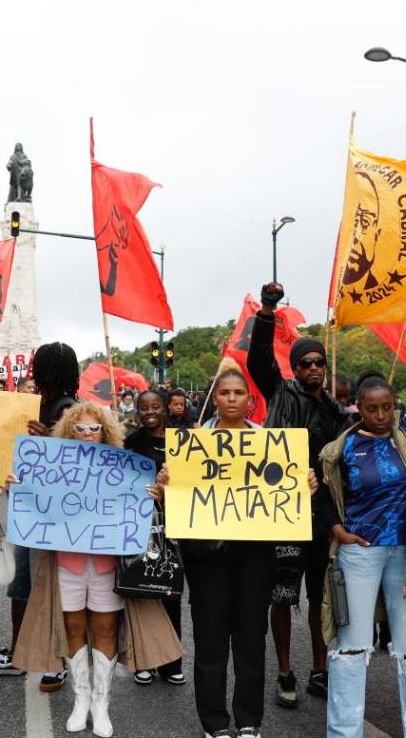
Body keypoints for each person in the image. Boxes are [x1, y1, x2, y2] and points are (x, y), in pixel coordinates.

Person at [150, 368, 315, 738]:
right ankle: (214, 722)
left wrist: (305, 484)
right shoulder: (193, 443)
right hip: (206, 557)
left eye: (238, 392)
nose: (231, 399)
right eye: (224, 392)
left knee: (251, 638)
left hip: (255, 556)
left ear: (249, 399)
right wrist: (164, 486)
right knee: (210, 638)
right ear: (214, 397)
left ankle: (248, 721)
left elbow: (286, 493)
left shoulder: (270, 443)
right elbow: (177, 497)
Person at [14, 401, 181, 738]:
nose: (88, 434)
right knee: (73, 627)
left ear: (106, 432)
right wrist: (20, 482)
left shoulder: (125, 470)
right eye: (80, 428)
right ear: (68, 431)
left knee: (105, 631)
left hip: (108, 564)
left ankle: (100, 704)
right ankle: (81, 698)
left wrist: (154, 494)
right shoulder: (54, 468)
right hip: (66, 561)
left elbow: (145, 508)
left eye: (95, 428)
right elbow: (33, 500)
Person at [318, 376, 406, 738]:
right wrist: (338, 531)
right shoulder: (342, 447)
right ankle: (343, 733)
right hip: (359, 554)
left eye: (387, 406)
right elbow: (322, 495)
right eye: (371, 408)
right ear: (358, 409)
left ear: (395, 404)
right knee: (352, 648)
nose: (381, 415)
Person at [246, 282, 340, 708]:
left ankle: (320, 669)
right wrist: (268, 310)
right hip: (284, 513)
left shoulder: (337, 411)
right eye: (305, 363)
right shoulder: (280, 391)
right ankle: (285, 670)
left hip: (323, 517)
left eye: (319, 362)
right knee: (283, 595)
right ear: (296, 368)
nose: (313, 368)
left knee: (322, 597)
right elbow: (258, 358)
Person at [0, 342, 80, 690]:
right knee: (21, 584)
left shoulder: (68, 408)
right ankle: (20, 652)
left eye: (40, 365)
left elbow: (82, 460)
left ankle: (55, 658)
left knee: (47, 586)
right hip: (28, 507)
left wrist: (51, 438)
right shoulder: (38, 404)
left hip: (53, 516)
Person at [122, 390, 186, 687]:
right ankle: (145, 661)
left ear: (165, 410)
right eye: (143, 407)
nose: (150, 412)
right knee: (141, 593)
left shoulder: (184, 440)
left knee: (170, 593)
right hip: (141, 525)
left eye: (155, 407)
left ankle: (172, 662)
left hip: (175, 526)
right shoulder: (131, 442)